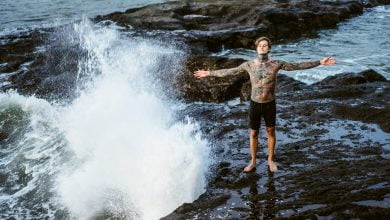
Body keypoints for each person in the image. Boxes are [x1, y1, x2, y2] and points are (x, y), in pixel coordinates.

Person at [194, 36, 336, 173]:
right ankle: (253, 161)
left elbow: (297, 65)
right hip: (255, 104)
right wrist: (209, 73)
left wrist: (320, 62)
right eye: (260, 45)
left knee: (270, 132)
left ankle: (270, 160)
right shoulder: (248, 65)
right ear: (257, 48)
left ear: (269, 49)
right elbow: (229, 72)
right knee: (254, 133)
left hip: (269, 104)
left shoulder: (276, 64)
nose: (262, 47)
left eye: (265, 45)